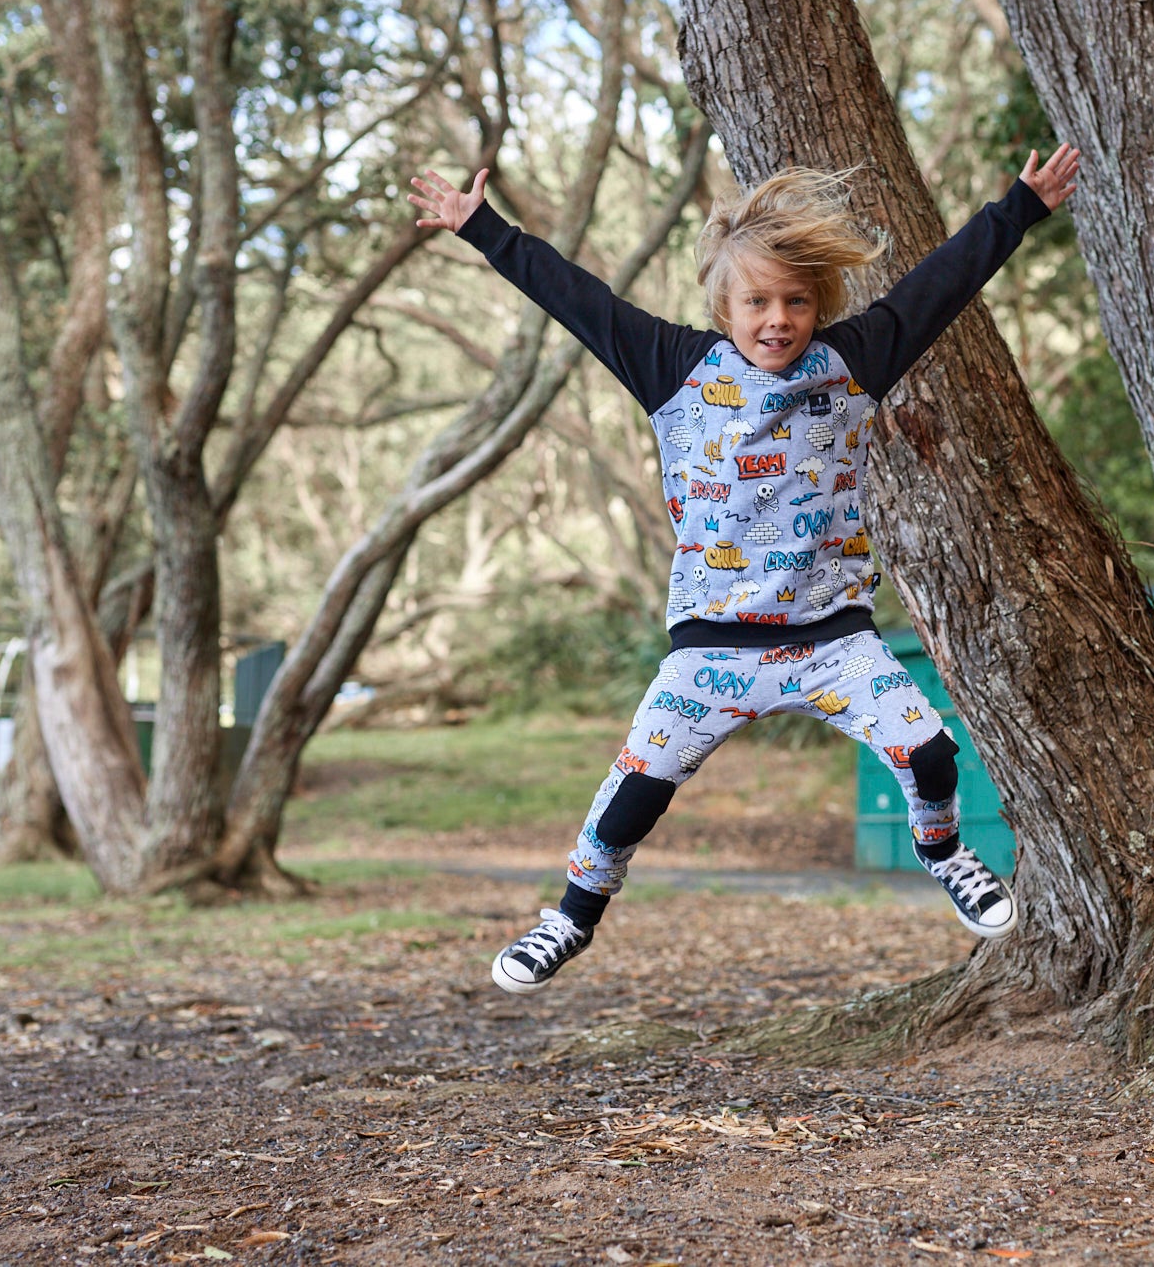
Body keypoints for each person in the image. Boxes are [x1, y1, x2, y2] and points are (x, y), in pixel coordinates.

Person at [409, 145, 1081, 994]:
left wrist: (1017, 208)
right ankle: (570, 918)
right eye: (757, 301)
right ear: (724, 307)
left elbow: (937, 289)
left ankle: (942, 850)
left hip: (831, 638)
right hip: (710, 651)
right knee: (634, 794)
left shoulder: (853, 361)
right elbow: (577, 299)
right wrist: (485, 230)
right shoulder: (674, 367)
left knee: (931, 752)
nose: (778, 319)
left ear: (820, 305)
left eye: (797, 302)